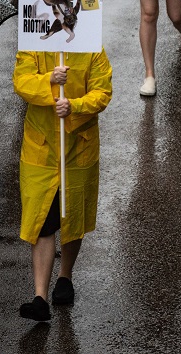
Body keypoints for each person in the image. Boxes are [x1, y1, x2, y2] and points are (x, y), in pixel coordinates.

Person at [14, 50, 112, 322]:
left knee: (72, 216)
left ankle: (65, 275)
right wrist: (49, 80)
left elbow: (102, 92)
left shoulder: (94, 49)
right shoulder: (32, 45)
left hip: (78, 147)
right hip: (40, 150)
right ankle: (40, 296)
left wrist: (74, 106)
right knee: (42, 220)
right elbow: (21, 82)